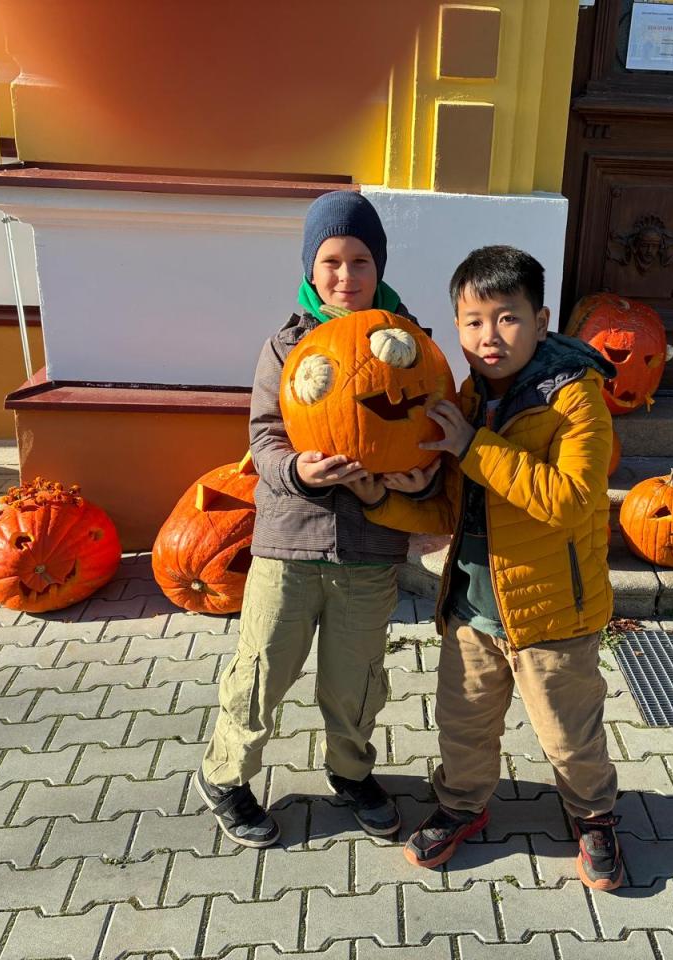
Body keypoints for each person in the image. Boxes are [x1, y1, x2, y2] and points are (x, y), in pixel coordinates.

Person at [360, 245, 625, 890]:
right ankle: (461, 805)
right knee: (463, 724)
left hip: (553, 611)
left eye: (507, 318)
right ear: (456, 325)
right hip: (473, 604)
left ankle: (593, 815)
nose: (490, 336)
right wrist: (387, 497)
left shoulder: (577, 400)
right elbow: (454, 505)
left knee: (568, 734)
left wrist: (473, 446)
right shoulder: (465, 396)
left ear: (541, 320)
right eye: (473, 321)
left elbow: (570, 499)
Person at [195, 190, 430, 848]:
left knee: (357, 680)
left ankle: (351, 773)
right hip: (290, 545)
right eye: (331, 261)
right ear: (310, 267)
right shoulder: (286, 347)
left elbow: (426, 428)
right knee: (262, 671)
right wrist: (298, 470)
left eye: (360, 261)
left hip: (371, 546)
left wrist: (426, 477)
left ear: (378, 266)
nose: (345, 276)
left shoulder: (410, 346)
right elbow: (265, 437)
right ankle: (225, 775)